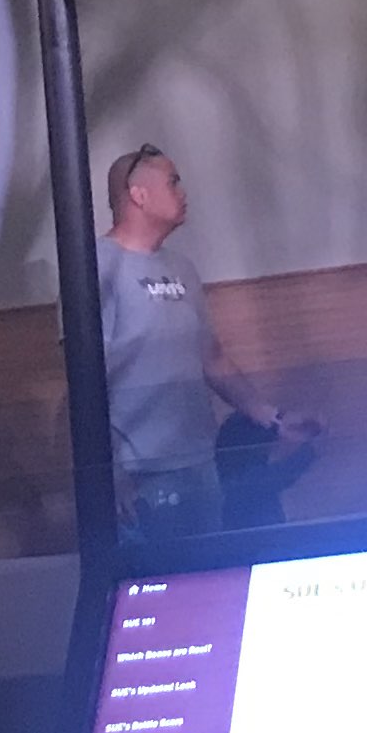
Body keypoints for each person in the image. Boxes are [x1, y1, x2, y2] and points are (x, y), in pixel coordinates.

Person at [95, 146, 321, 543]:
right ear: (138, 195)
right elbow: (86, 378)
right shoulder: (97, 268)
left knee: (207, 568)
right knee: (159, 574)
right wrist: (106, 473)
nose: (183, 193)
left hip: (200, 461)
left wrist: (273, 418)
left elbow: (212, 358)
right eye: (173, 182)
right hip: (140, 473)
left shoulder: (181, 268)